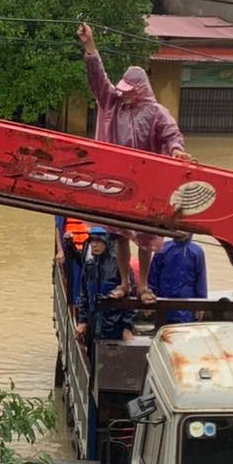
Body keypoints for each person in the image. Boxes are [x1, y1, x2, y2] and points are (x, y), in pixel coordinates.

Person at [76, 20, 187, 293]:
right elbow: (97, 78)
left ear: (140, 90)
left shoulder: (156, 112)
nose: (123, 95)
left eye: (128, 92)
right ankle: (125, 283)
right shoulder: (111, 102)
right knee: (119, 234)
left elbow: (172, 133)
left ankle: (144, 286)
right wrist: (90, 46)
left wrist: (177, 150)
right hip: (117, 179)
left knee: (147, 237)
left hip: (148, 181)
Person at [76, 226, 135, 345]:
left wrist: (127, 327)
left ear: (107, 242)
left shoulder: (120, 266)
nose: (94, 245)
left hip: (114, 327)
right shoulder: (89, 266)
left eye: (98, 241)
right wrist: (83, 321)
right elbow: (84, 296)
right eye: (92, 241)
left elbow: (131, 296)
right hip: (93, 325)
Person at [143, 232, 207, 322]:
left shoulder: (197, 252)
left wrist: (201, 303)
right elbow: (153, 276)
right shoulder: (163, 249)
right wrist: (149, 294)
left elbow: (201, 280)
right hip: (163, 305)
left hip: (187, 308)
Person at [54, 215, 90, 307]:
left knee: (88, 282)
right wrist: (60, 250)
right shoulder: (64, 206)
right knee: (73, 284)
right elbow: (58, 227)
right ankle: (74, 312)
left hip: (88, 249)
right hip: (71, 249)